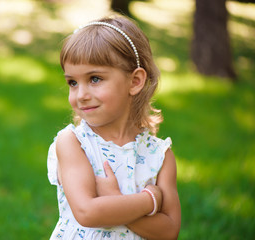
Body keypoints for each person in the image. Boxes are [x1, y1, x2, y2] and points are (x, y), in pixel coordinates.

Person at [47, 14, 181, 239]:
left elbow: (169, 231)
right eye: (72, 82)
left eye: (95, 79)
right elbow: (87, 211)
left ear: (135, 81)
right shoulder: (72, 143)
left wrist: (115, 198)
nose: (81, 95)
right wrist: (149, 200)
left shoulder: (159, 156)